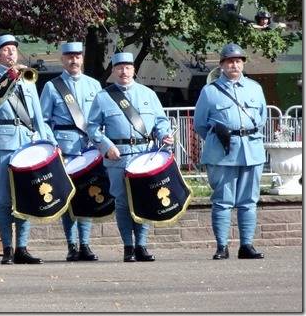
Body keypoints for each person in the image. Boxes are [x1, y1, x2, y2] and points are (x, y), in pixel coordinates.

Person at [87, 52, 174, 262]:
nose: (123, 71)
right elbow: (92, 127)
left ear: (134, 69)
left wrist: (164, 134)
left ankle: (142, 245)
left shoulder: (148, 94)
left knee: (144, 199)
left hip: (144, 155)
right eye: (119, 68)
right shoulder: (104, 96)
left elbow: (160, 121)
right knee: (123, 202)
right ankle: (128, 246)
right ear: (113, 71)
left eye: (127, 67)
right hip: (118, 156)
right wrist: (105, 146)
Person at [0, 34, 54, 265]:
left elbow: (38, 116)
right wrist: (11, 76)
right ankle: (6, 249)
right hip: (3, 143)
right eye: (5, 50)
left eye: (13, 49)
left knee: (26, 197)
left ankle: (22, 247)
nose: (11, 52)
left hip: (27, 141)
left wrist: (46, 141)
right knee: (4, 198)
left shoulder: (28, 79)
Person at [194, 43, 267, 260]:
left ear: (243, 63)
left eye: (238, 61)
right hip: (222, 152)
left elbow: (261, 118)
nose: (234, 65)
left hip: (251, 149)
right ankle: (222, 246)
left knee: (249, 201)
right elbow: (200, 124)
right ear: (222, 65)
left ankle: (247, 245)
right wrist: (219, 140)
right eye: (229, 61)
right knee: (222, 200)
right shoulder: (210, 92)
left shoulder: (255, 88)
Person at [40, 41, 102, 262]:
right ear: (62, 59)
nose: (73, 60)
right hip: (65, 148)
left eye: (77, 56)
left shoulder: (94, 85)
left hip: (88, 147)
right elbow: (44, 120)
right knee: (68, 197)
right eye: (69, 57)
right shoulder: (52, 86)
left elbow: (100, 117)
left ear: (82, 58)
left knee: (87, 194)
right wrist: (52, 144)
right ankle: (72, 245)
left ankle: (85, 244)